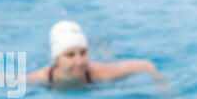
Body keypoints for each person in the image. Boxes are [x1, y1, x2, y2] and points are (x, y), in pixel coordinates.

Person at [26, 21, 164, 87]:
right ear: (56, 59)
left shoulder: (102, 73)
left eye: (83, 53)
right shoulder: (44, 77)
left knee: (108, 56)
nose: (79, 61)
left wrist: (162, 85)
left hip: (101, 65)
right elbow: (7, 79)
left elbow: (146, 66)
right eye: (70, 55)